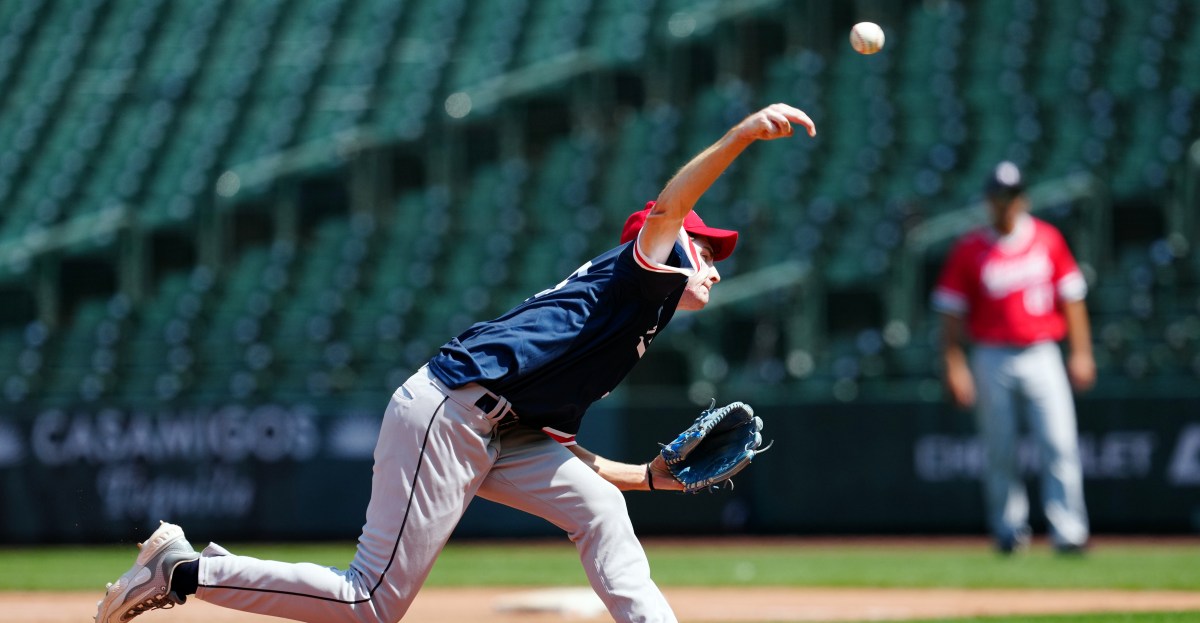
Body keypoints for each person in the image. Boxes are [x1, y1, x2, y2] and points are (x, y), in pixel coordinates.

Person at [95, 103, 817, 623]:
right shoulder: (638, 272)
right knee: (370, 602)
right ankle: (183, 570)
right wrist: (740, 136)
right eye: (705, 249)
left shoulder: (631, 318)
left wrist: (649, 476)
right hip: (450, 412)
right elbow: (668, 210)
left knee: (601, 508)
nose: (714, 265)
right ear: (667, 247)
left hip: (501, 427)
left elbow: (561, 447)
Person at [932, 161, 1096, 554]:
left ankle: (1069, 531)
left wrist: (1082, 352)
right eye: (998, 196)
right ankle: (1008, 530)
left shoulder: (1048, 239)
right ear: (989, 200)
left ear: (1023, 198)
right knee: (999, 448)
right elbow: (950, 312)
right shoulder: (970, 248)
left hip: (1042, 350)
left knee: (1059, 443)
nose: (1005, 203)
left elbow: (1072, 298)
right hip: (992, 355)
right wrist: (954, 363)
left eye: (1011, 195)